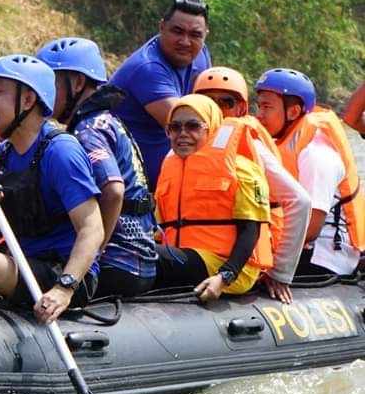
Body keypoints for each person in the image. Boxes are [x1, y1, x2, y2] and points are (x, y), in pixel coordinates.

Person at [0, 55, 104, 324]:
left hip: (64, 272)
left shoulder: (61, 151)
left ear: (28, 100)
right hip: (25, 263)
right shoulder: (1, 156)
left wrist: (64, 288)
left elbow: (93, 229)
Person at [36, 37, 158, 297]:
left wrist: (93, 252)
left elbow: (114, 192)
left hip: (118, 261)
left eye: (51, 82)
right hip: (138, 257)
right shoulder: (107, 120)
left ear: (78, 83)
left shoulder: (88, 129)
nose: (42, 92)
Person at [193, 66, 310, 303]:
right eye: (207, 100)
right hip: (193, 254)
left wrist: (280, 274)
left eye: (225, 102)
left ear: (241, 108)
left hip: (234, 265)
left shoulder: (249, 147)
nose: (216, 108)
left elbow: (299, 201)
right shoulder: (181, 143)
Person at [153, 95, 273, 302]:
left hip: (226, 266)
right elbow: (157, 230)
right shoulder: (169, 168)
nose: (182, 134)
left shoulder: (242, 170)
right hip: (181, 256)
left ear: (212, 128)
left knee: (147, 259)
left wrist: (224, 276)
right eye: (175, 127)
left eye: (192, 126)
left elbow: (250, 232)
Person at [255, 69, 365, 277]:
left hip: (325, 256)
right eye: (259, 106)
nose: (259, 115)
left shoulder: (317, 155)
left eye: (267, 107)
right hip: (297, 247)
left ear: (294, 112)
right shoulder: (280, 144)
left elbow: (311, 228)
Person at [109, 0, 213, 188]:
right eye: (177, 31)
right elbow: (191, 128)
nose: (185, 42)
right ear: (161, 27)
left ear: (205, 35)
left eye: (195, 35)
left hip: (172, 183)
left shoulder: (200, 55)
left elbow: (210, 112)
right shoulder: (148, 68)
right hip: (133, 191)